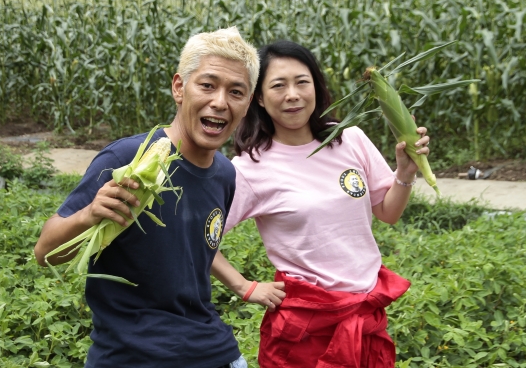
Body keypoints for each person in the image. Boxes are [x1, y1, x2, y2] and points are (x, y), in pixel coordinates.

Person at [33, 27, 278, 368]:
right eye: (207, 85)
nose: (220, 102)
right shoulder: (127, 159)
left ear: (248, 103)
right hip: (134, 356)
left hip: (215, 351)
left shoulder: (225, 174)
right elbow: (45, 253)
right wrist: (89, 215)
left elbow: (196, 246)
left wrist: (243, 285)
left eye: (236, 91)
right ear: (179, 87)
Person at [210, 40, 430, 367]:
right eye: (278, 85)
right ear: (259, 96)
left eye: (302, 82)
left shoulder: (350, 139)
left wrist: (406, 172)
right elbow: (198, 239)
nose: (293, 94)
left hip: (364, 319)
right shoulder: (250, 168)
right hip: (304, 332)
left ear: (316, 85)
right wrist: (244, 286)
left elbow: (388, 212)